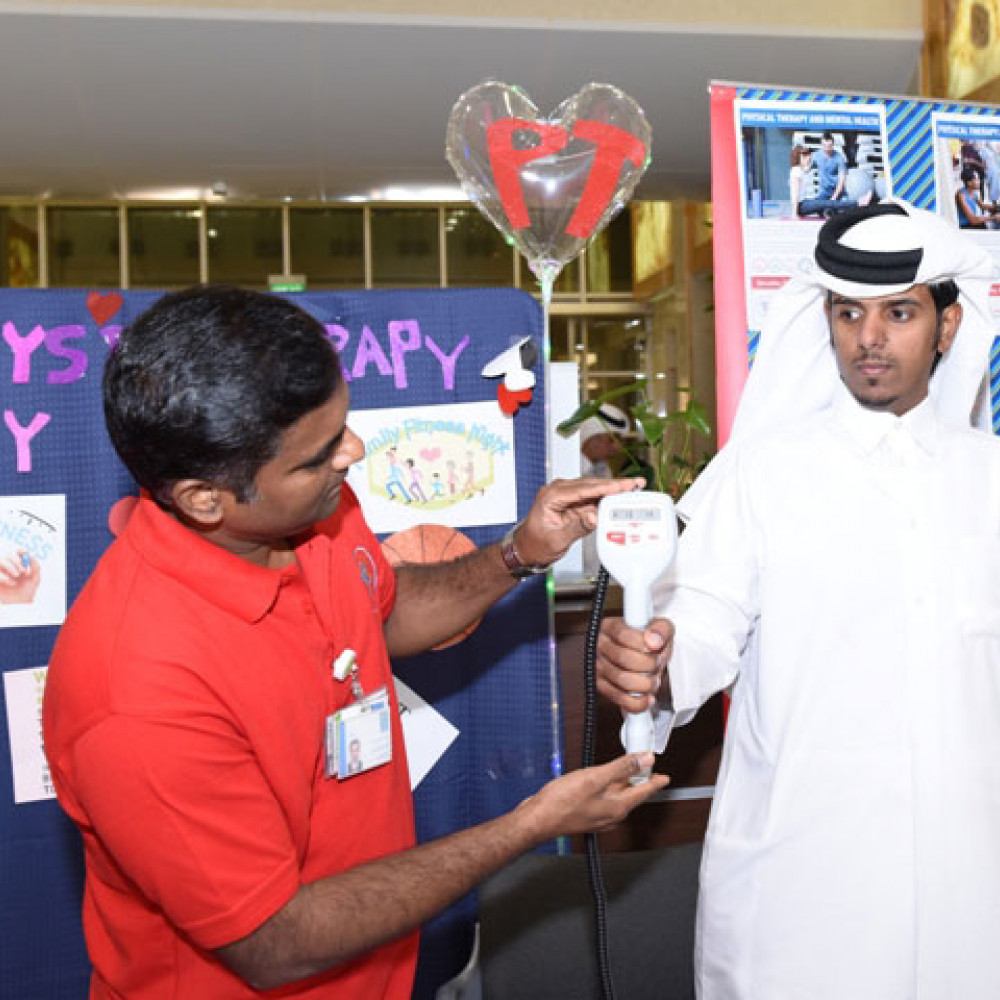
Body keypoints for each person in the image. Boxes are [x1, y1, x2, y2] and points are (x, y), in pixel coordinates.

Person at [42, 285, 668, 1000]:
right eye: (317, 455)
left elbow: (382, 615)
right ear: (204, 499)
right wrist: (528, 827)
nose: (354, 452)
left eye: (343, 426)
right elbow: (275, 942)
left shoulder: (312, 510)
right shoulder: (136, 693)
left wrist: (520, 553)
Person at [596, 201, 1000, 997]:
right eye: (848, 312)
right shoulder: (761, 473)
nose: (869, 337)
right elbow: (704, 621)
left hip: (970, 880)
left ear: (947, 328)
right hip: (805, 879)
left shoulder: (988, 478)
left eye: (900, 313)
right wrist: (660, 656)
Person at [789, 142, 871, 219]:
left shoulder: (801, 170)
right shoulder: (796, 171)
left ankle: (827, 212)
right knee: (827, 202)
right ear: (798, 157)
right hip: (801, 206)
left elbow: (808, 168)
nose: (808, 158)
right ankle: (858, 203)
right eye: (805, 156)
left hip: (805, 202)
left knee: (824, 203)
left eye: (808, 156)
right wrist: (794, 214)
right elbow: (794, 194)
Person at [955, 164, 1000, 229]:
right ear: (969, 183)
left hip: (974, 223)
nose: (979, 182)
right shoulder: (961, 195)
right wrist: (994, 218)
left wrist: (997, 207)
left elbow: (982, 206)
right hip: (966, 226)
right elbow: (973, 220)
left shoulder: (973, 192)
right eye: (977, 180)